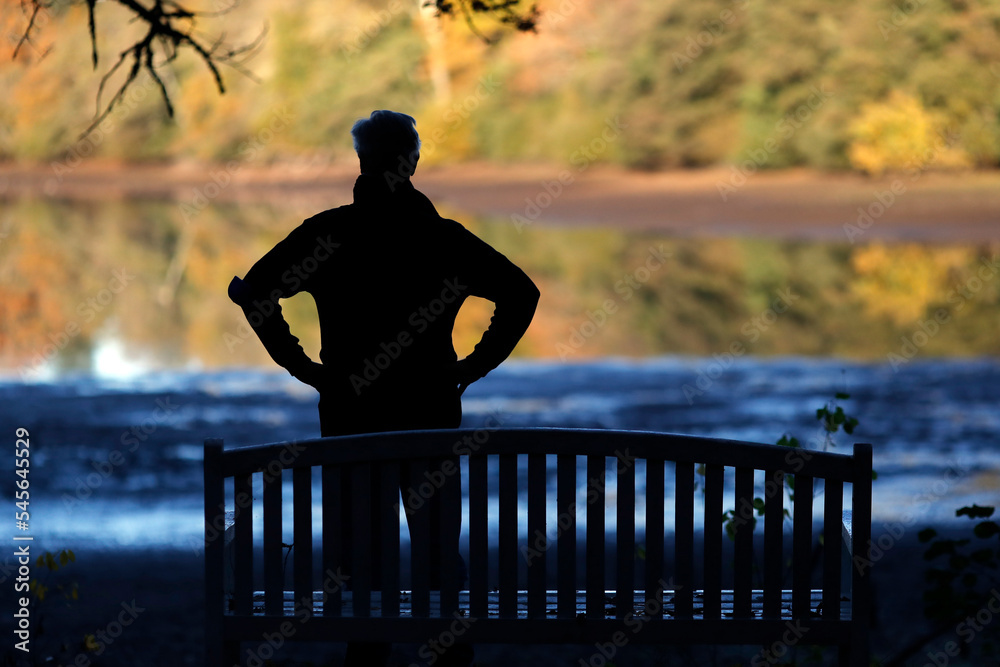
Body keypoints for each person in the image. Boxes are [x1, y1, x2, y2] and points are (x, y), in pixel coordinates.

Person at [228, 110, 539, 667]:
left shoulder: (328, 234)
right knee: (439, 548)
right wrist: (473, 366)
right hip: (431, 410)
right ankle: (447, 650)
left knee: (358, 551)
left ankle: (368, 653)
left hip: (351, 412)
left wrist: (302, 365)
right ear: (413, 162)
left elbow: (253, 292)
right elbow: (522, 294)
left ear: (362, 162)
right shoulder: (445, 241)